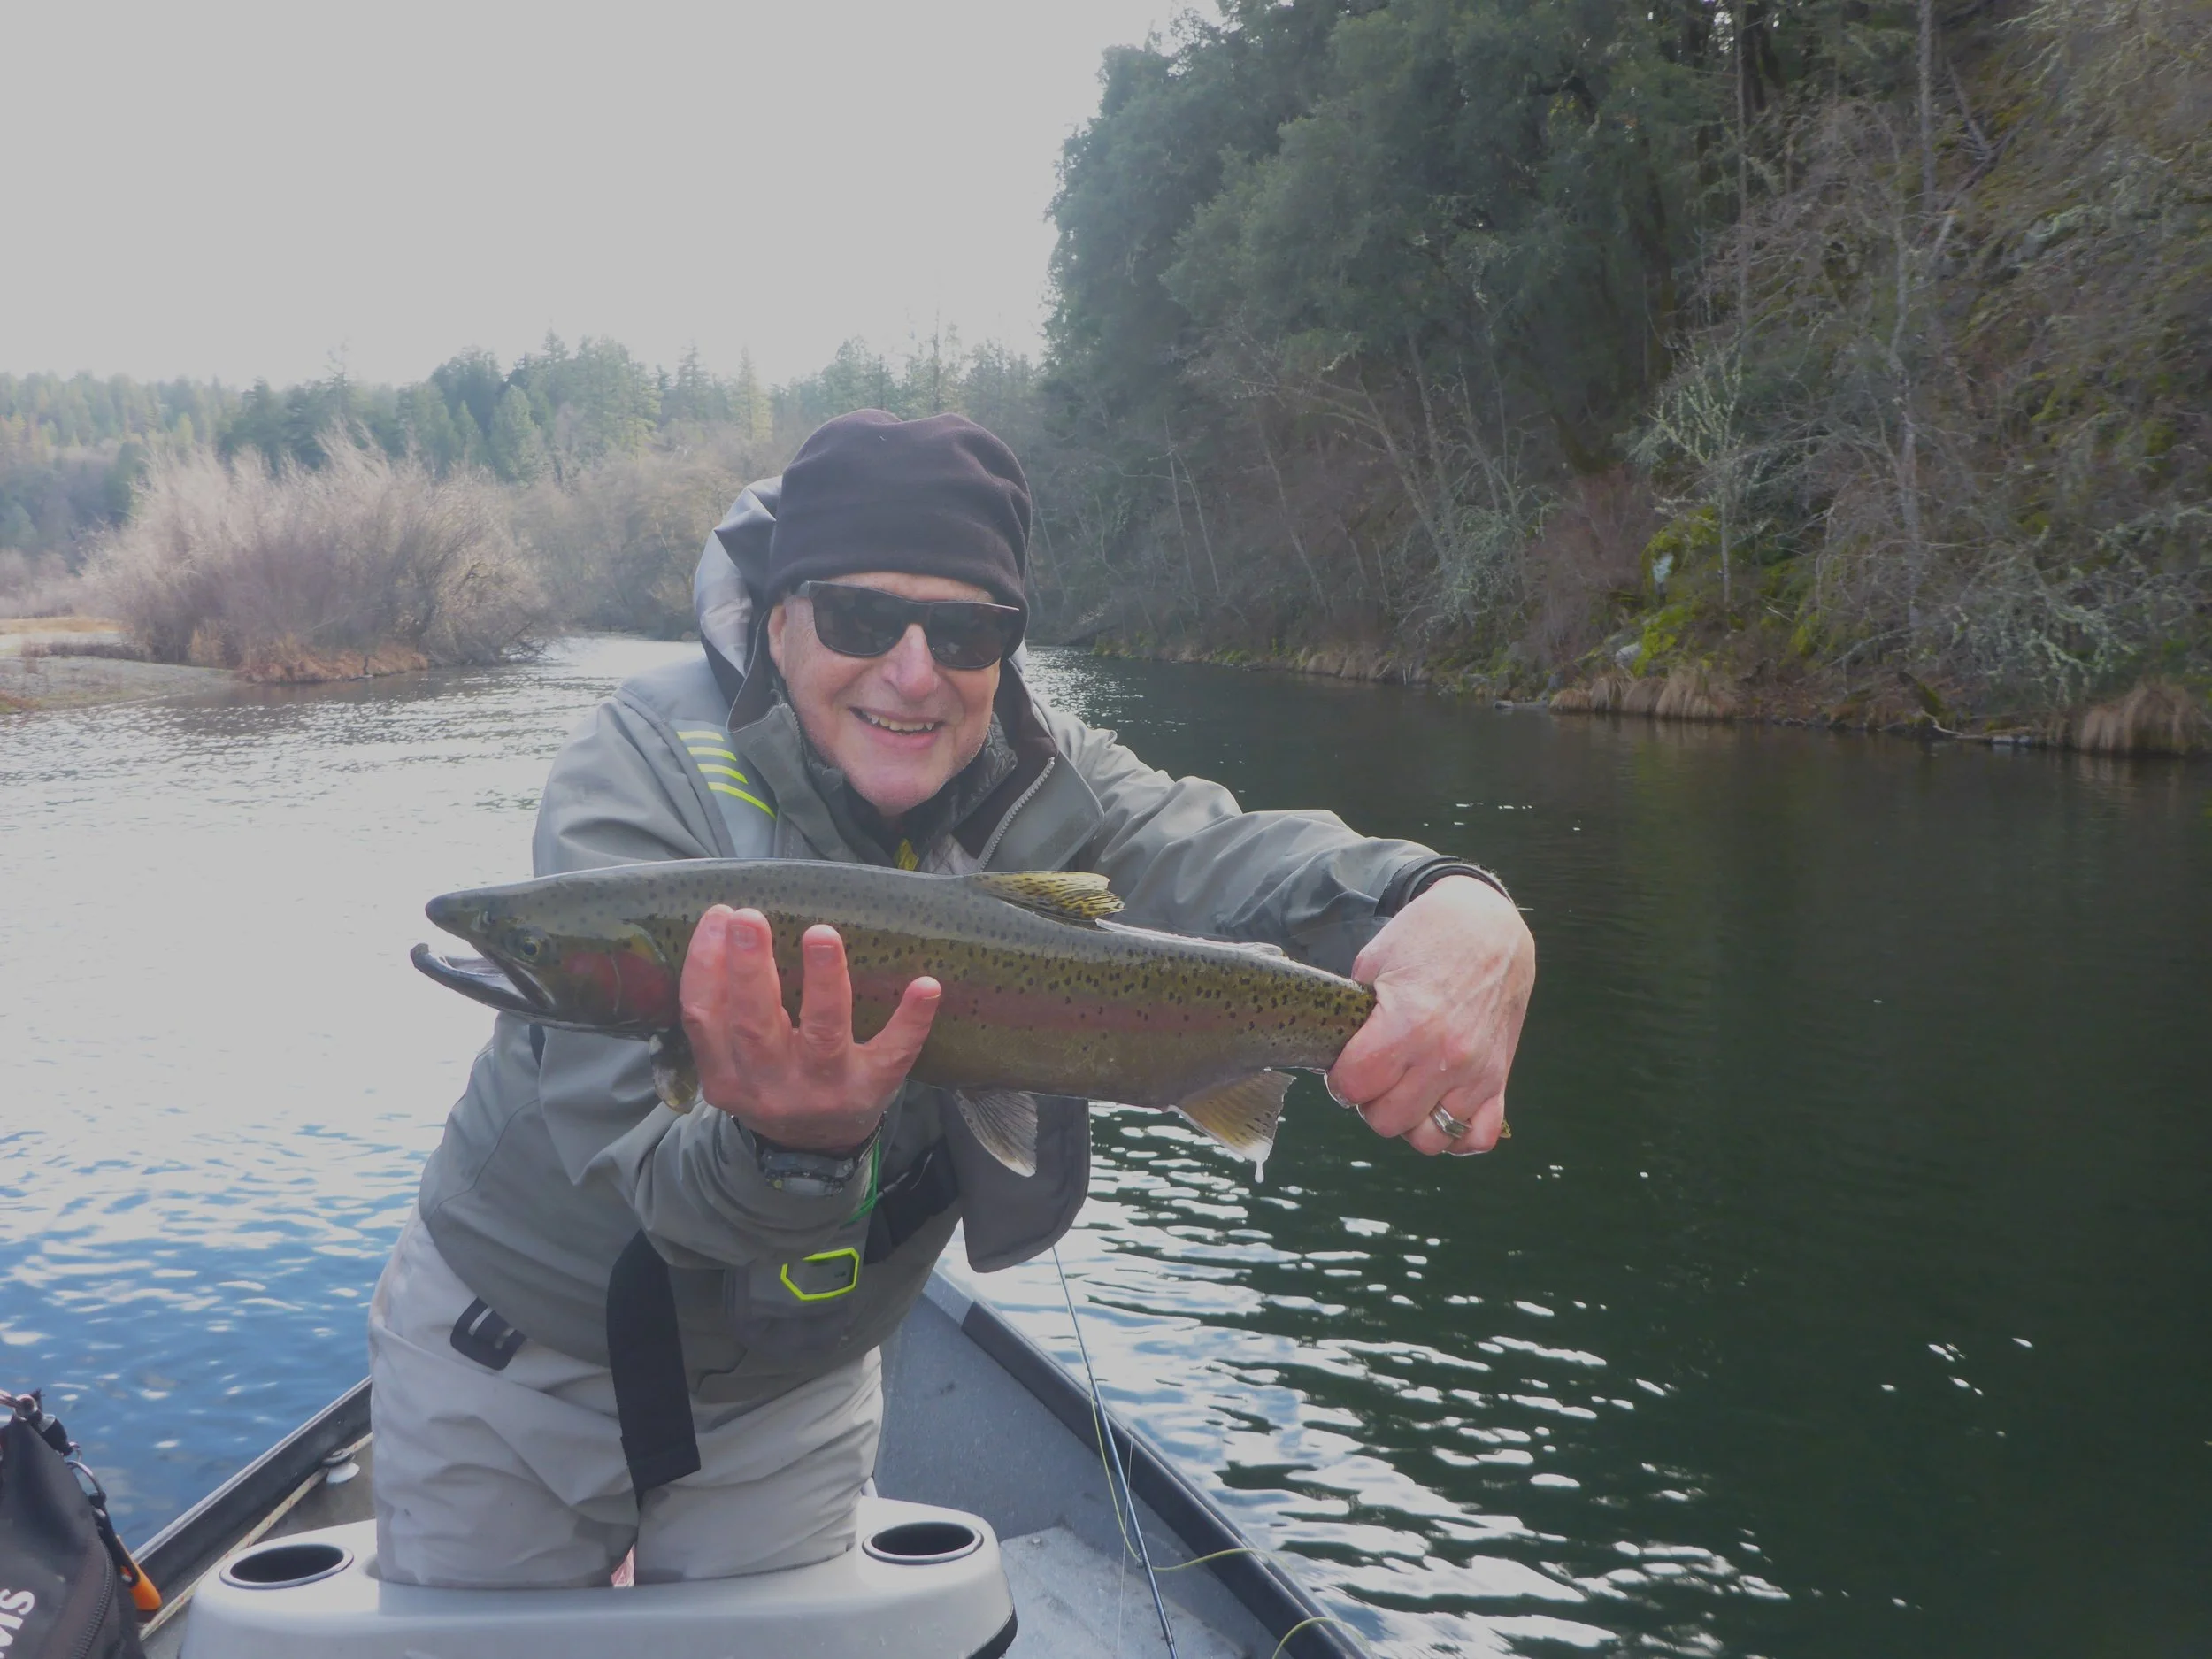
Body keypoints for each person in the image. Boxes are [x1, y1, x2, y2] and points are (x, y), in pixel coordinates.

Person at [366, 409, 1535, 1588]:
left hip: (795, 1389)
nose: (914, 669)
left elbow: (1239, 863)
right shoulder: (637, 776)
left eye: (967, 630)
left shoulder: (1049, 775)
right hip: (518, 1358)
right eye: (863, 617)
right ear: (779, 618)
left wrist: (1445, 900)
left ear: (1005, 649)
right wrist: (795, 1144)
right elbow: (658, 1179)